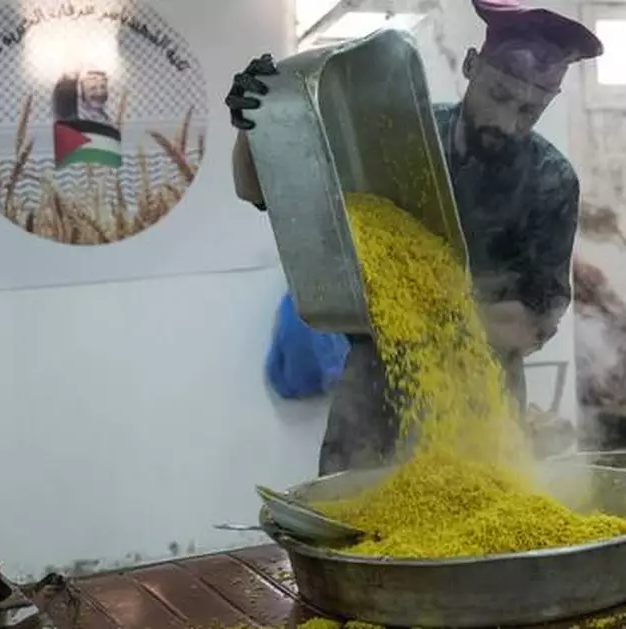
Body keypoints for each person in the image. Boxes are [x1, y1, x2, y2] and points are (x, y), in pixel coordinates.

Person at [227, 0, 603, 475]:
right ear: (471, 66)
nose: (507, 121)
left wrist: (427, 315)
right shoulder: (403, 138)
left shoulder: (550, 180)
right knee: (353, 510)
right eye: (499, 95)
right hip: (374, 386)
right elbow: (257, 191)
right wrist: (255, 124)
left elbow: (537, 317)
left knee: (476, 514)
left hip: (479, 394)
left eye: (530, 109)